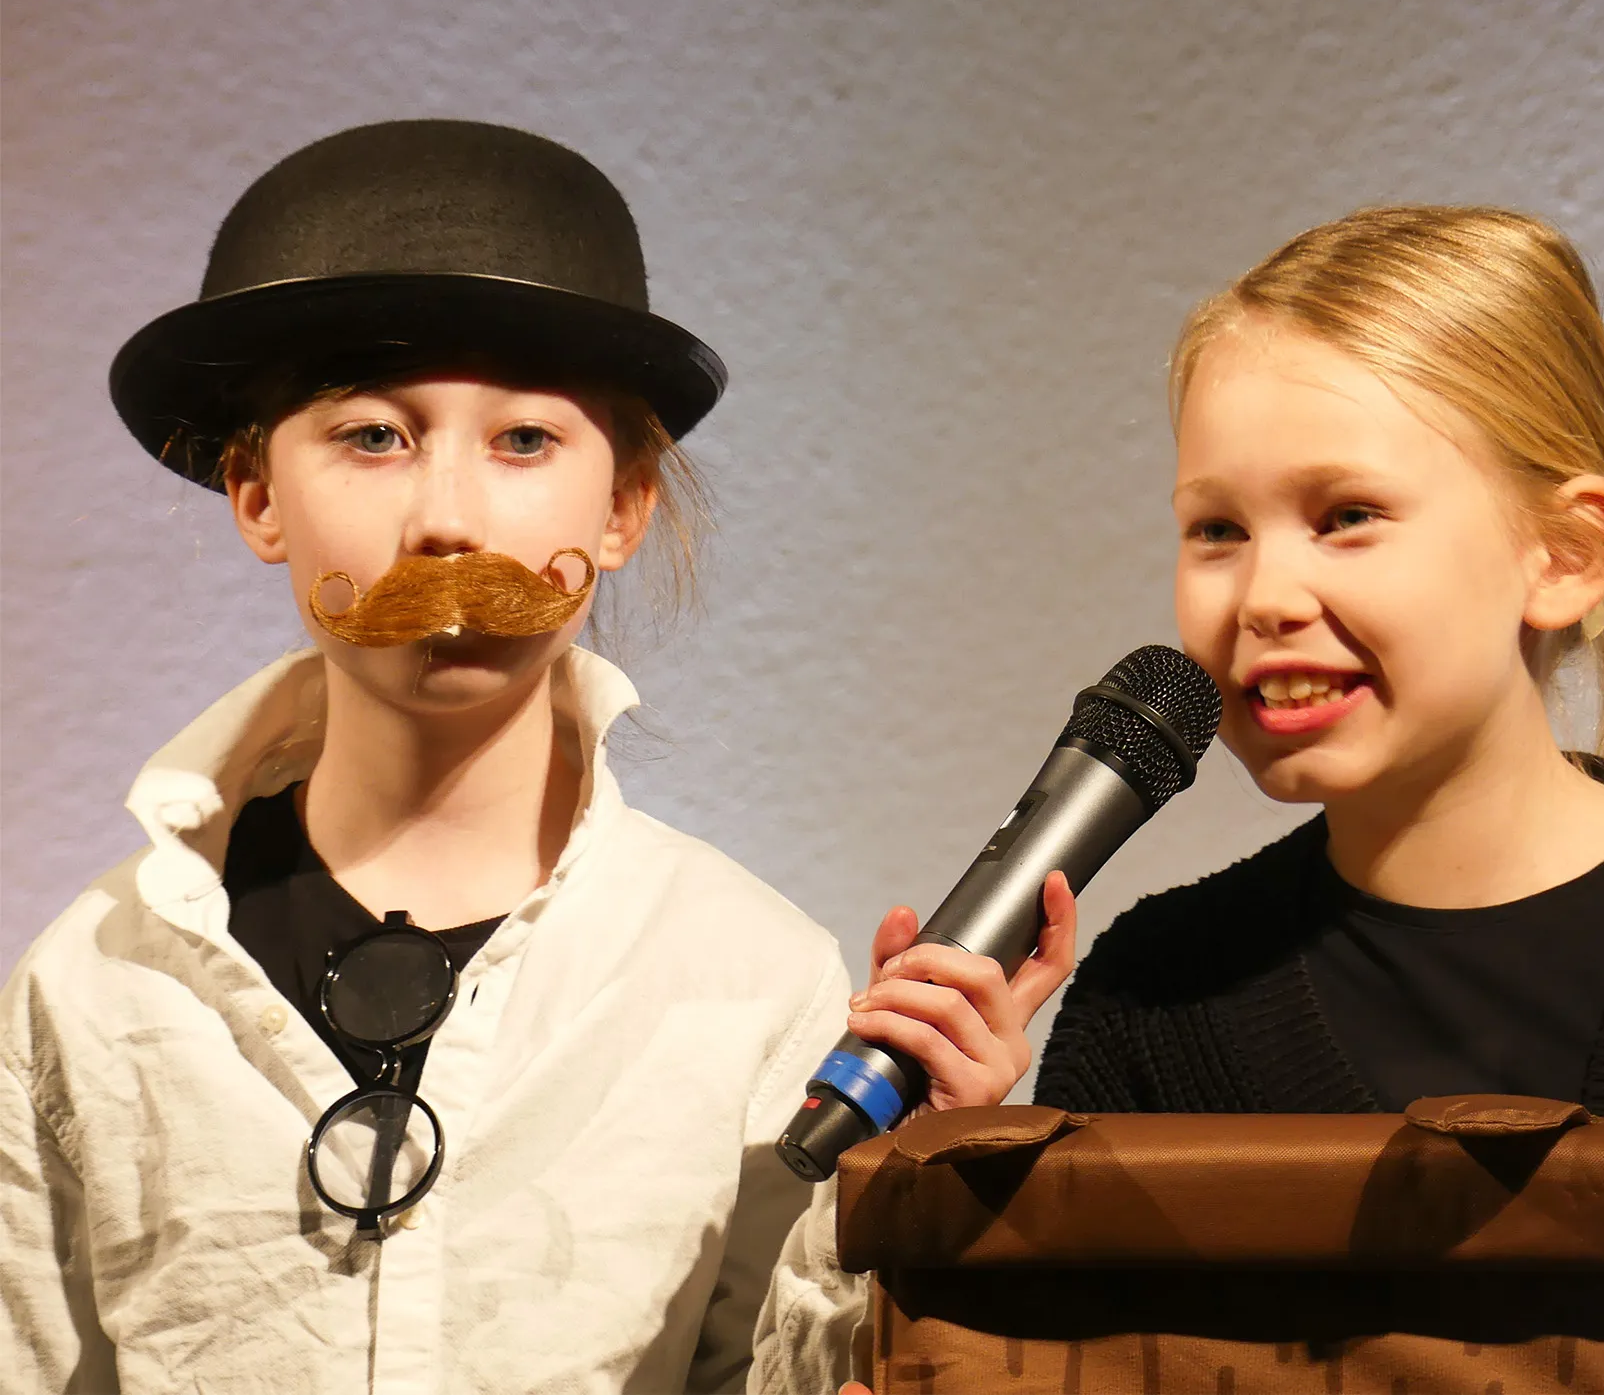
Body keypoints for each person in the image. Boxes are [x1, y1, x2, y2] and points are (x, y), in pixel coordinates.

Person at [0, 119, 1073, 1394]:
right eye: (373, 436)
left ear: (623, 506)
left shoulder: (747, 979)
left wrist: (926, 1181)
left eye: (523, 442)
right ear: (256, 495)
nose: (448, 520)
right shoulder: (99, 979)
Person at [1032, 206, 1604, 1393]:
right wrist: (977, 1196)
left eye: (1347, 518)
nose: (1268, 592)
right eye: (1217, 528)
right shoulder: (1155, 998)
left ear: (1564, 555)